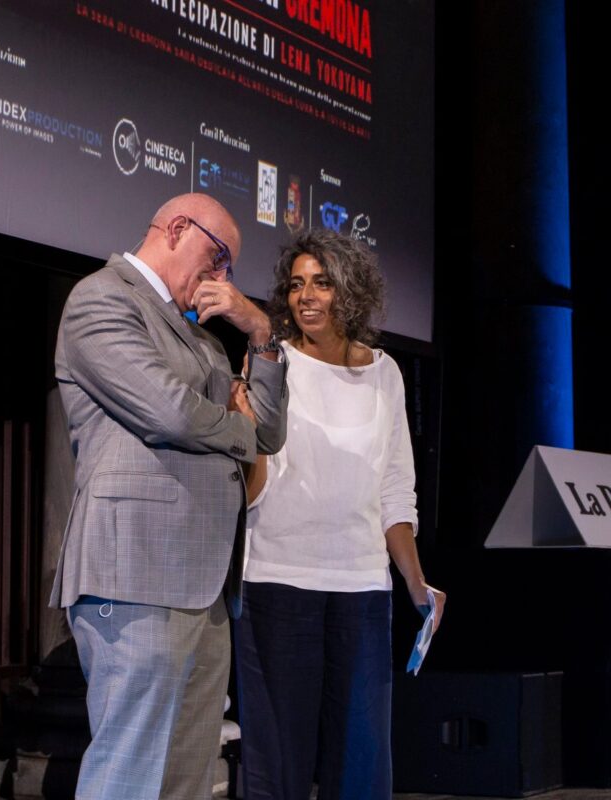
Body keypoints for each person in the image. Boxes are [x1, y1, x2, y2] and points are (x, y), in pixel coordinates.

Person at [50, 193, 288, 800]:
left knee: (185, 778)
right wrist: (236, 433)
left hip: (203, 585)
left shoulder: (203, 340)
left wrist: (260, 333)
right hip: (136, 575)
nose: (222, 278)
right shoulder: (102, 298)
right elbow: (170, 414)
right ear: (178, 228)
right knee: (128, 773)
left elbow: (268, 432)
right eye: (217, 257)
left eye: (231, 267)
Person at [234, 228, 445, 800]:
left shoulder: (385, 374)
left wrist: (414, 580)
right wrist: (243, 436)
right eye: (297, 284)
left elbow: (396, 488)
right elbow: (252, 487)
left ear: (348, 292)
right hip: (277, 583)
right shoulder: (272, 361)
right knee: (278, 766)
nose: (307, 296)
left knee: (362, 767)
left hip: (361, 591)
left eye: (322, 283)